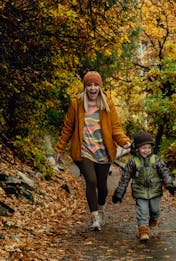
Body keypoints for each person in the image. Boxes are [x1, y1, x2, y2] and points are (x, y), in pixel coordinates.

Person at [55, 71, 131, 231]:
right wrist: (59, 148)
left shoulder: (107, 103)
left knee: (102, 187)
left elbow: (115, 127)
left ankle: (101, 208)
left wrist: (124, 141)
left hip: (103, 151)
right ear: (85, 87)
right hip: (84, 151)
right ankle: (95, 217)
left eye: (95, 85)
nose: (92, 88)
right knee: (91, 181)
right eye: (89, 85)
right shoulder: (76, 104)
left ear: (100, 86)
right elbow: (68, 128)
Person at [112, 130, 176, 241]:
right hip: (140, 191)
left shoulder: (155, 160)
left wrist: (169, 183)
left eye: (148, 148)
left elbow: (165, 172)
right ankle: (143, 231)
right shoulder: (133, 162)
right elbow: (125, 177)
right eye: (143, 148)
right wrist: (119, 192)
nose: (146, 150)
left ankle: (154, 218)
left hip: (155, 191)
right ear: (137, 148)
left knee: (155, 210)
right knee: (142, 211)